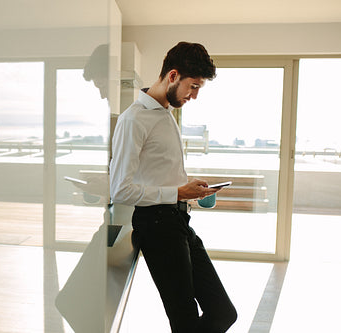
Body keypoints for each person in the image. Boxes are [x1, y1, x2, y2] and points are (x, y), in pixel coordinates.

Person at [109, 41, 237, 332]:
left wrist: (189, 186)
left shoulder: (166, 113)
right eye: (193, 86)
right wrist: (178, 192)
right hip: (156, 226)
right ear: (172, 75)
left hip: (178, 221)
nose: (194, 96)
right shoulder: (134, 119)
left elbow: (158, 172)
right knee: (185, 322)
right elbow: (120, 189)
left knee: (223, 312)